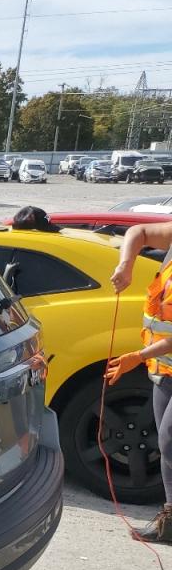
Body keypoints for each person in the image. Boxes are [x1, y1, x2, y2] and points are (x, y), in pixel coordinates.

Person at [107, 218, 172, 543]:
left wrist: (138, 356)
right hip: (166, 369)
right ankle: (170, 518)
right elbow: (138, 232)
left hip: (160, 359)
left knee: (170, 437)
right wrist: (126, 265)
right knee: (167, 443)